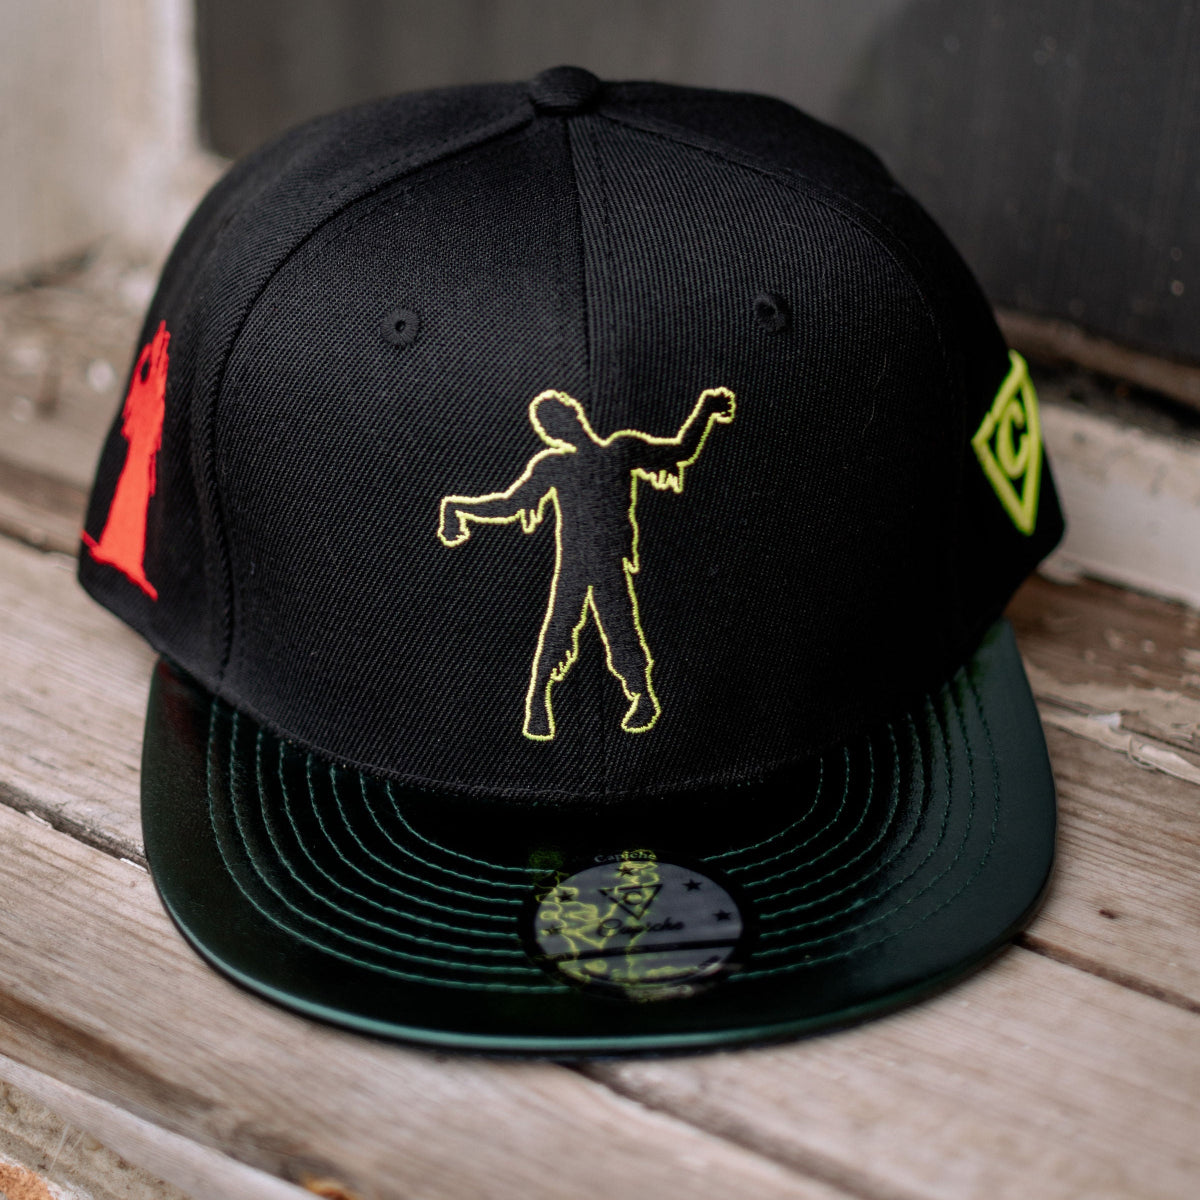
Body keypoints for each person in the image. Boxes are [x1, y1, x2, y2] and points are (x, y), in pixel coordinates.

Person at [438, 386, 735, 740]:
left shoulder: (615, 451)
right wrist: (459, 508)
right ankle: (546, 699)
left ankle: (635, 697)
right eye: (552, 424)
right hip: (582, 566)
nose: (559, 428)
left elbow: (680, 451)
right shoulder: (564, 463)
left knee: (612, 629)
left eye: (558, 419)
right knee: (574, 630)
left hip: (600, 565)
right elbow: (510, 504)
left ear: (574, 417)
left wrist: (705, 409)